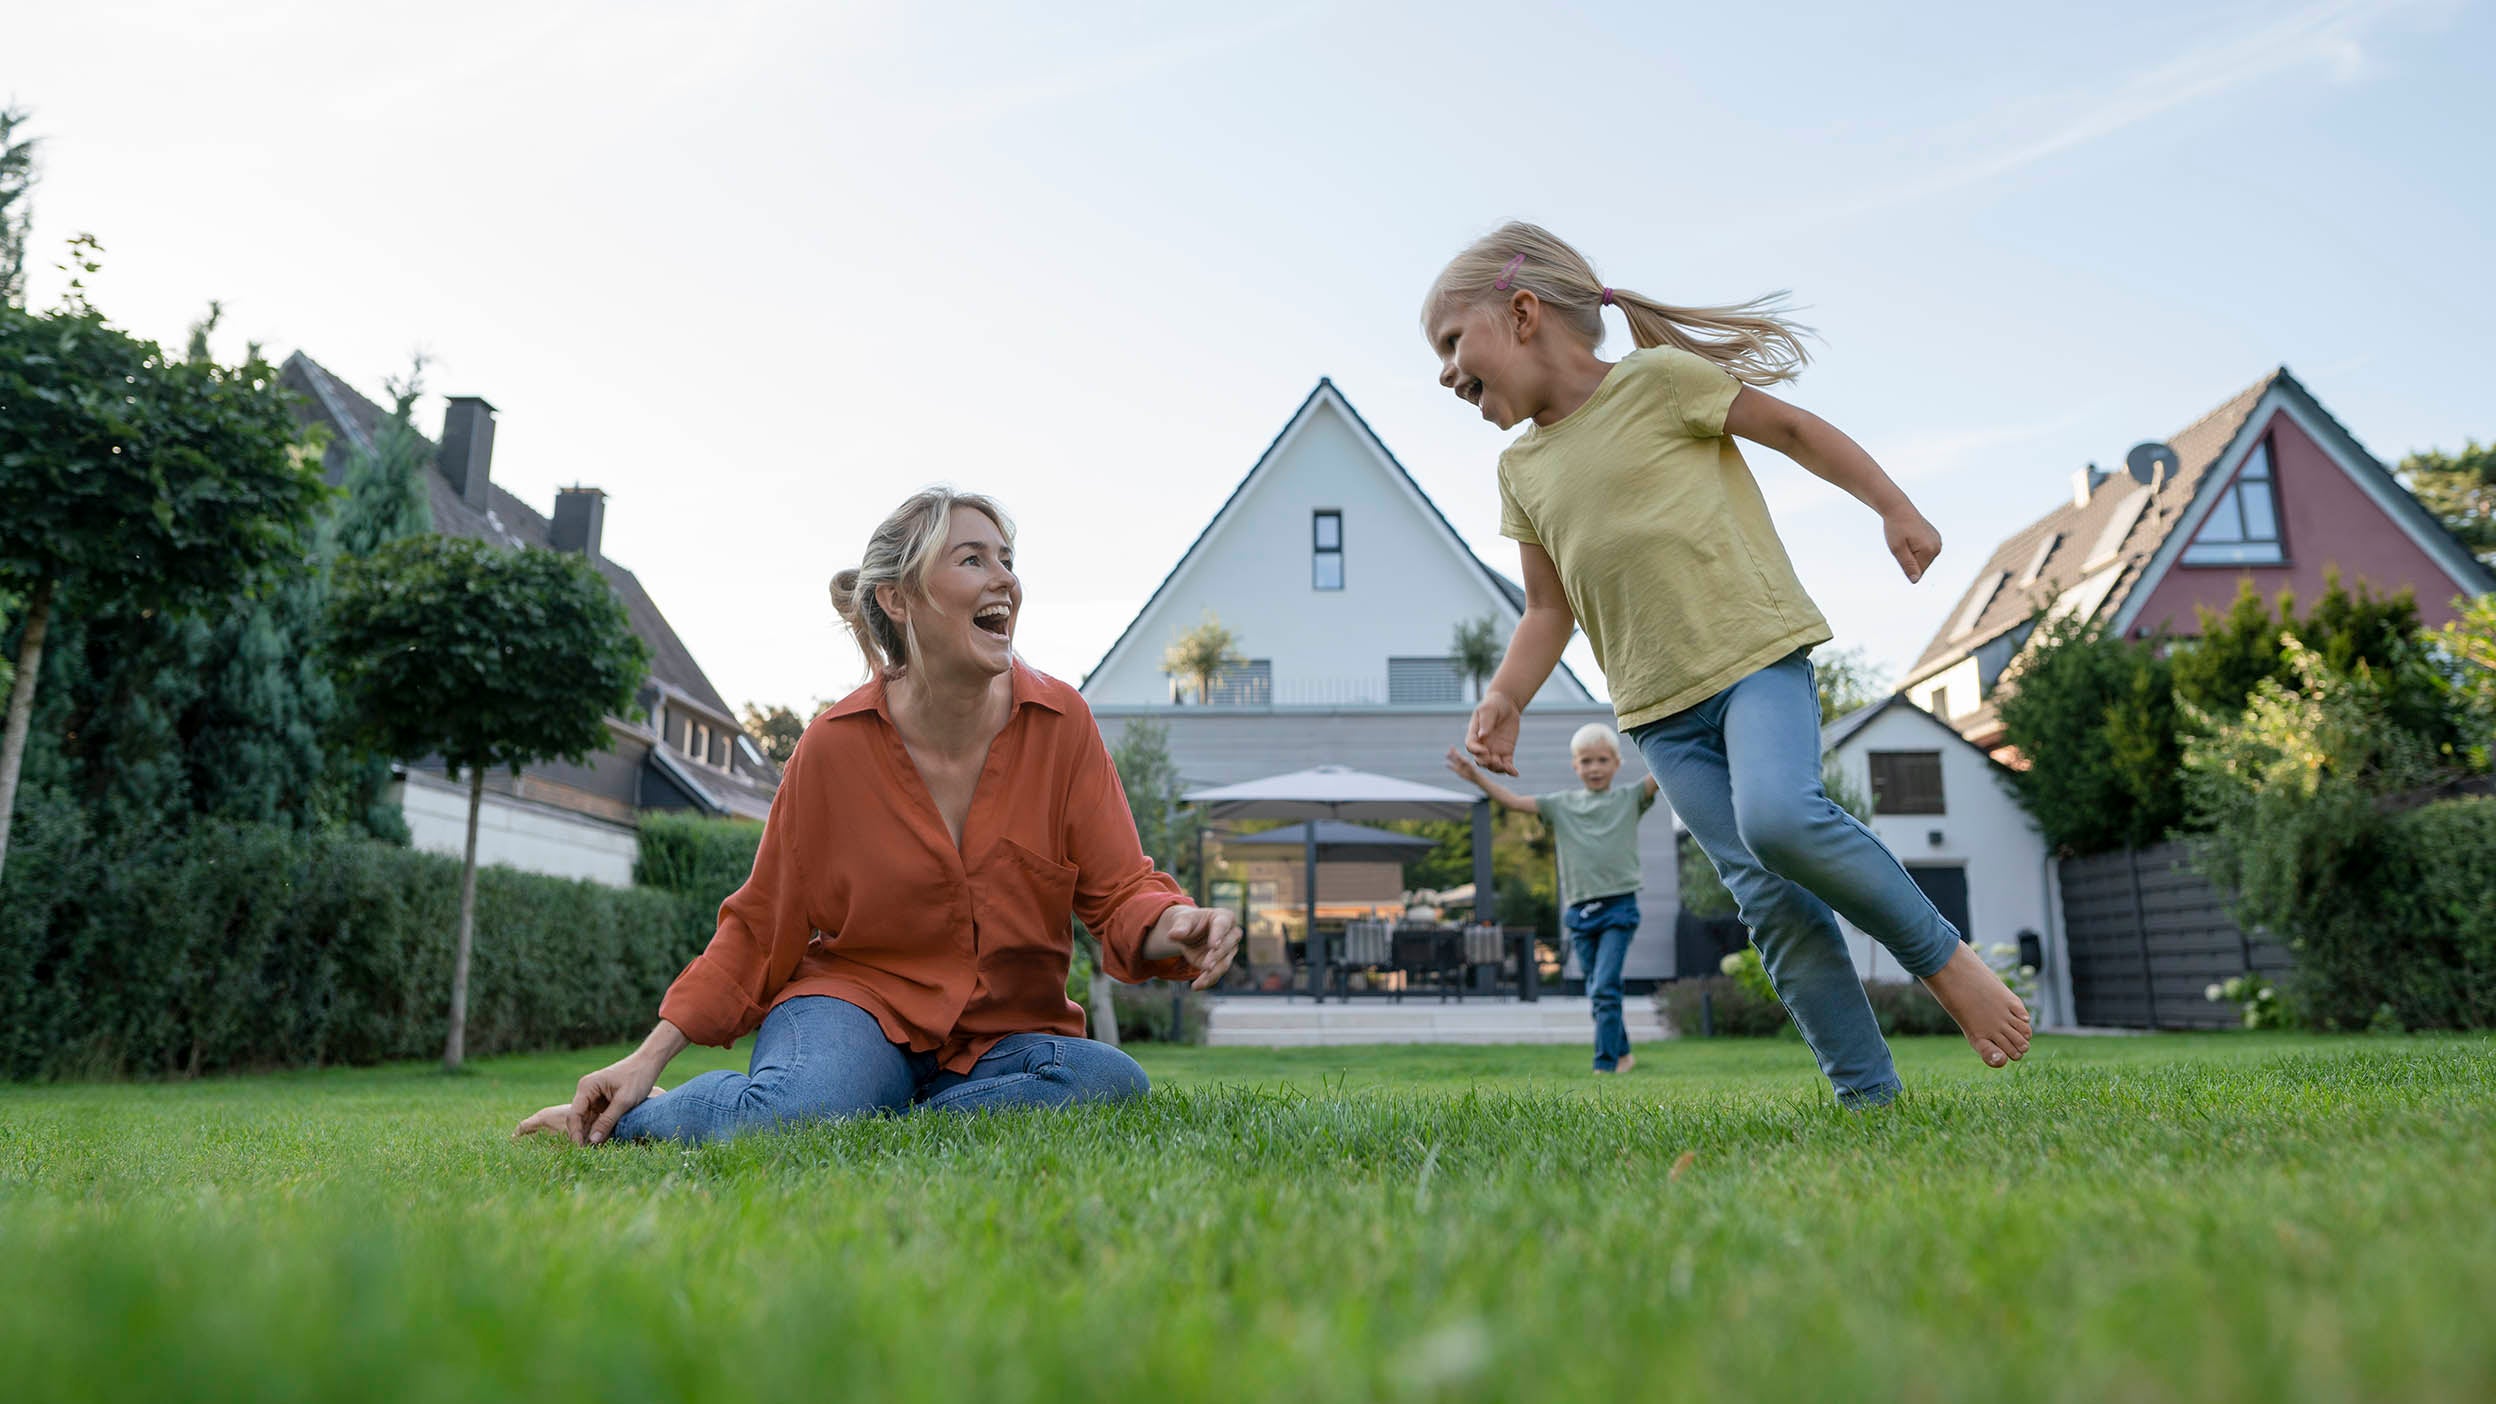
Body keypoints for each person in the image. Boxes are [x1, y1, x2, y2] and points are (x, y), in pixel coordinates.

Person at [1421, 222, 2030, 1108]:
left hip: (1754, 658)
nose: (1443, 372)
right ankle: (1871, 1101)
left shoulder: (1660, 384)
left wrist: (1893, 505)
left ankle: (1944, 962)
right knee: (1772, 901)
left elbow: (1788, 427)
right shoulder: (1521, 470)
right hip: (1660, 714)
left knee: (1781, 817)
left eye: (1449, 342)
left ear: (1521, 314)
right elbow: (1549, 608)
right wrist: (1509, 695)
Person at [514, 489, 1239, 1146]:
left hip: (1001, 1037)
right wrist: (646, 1060)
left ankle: (866, 1116)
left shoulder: (1062, 724)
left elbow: (1119, 891)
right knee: (801, 1112)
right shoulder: (833, 748)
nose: (1006, 580)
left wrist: (1173, 925)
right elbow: (762, 923)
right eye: (972, 559)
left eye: (1007, 560)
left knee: (1112, 1085)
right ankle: (666, 1117)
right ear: (899, 599)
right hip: (852, 1010)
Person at [1446, 725, 1656, 1074]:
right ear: (1575, 766)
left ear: (1617, 763)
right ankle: (1623, 1053)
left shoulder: (1629, 799)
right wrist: (1474, 778)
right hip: (1579, 912)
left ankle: (1604, 1066)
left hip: (1619, 907)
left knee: (1604, 987)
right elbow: (1512, 801)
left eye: (1603, 760)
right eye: (1586, 761)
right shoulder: (1560, 805)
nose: (1595, 768)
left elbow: (1661, 774)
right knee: (1598, 990)